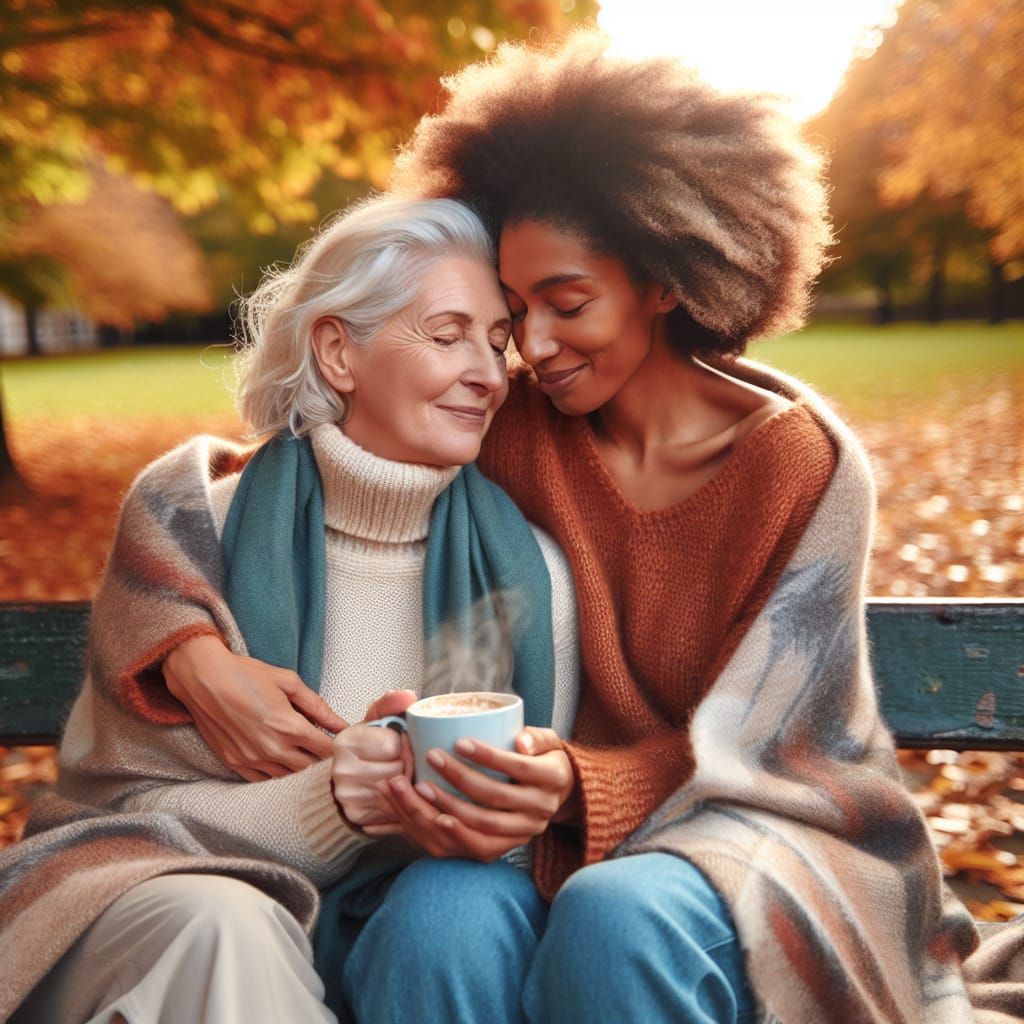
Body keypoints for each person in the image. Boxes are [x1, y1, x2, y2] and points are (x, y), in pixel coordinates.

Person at [72, 29, 1024, 1024]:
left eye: (564, 304)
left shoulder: (798, 466)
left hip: (754, 825)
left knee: (621, 916)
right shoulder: (513, 422)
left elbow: (773, 745)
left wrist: (581, 784)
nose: (527, 347)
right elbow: (243, 478)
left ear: (665, 278)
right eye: (510, 310)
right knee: (438, 915)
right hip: (520, 835)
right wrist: (187, 649)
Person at [0, 195, 580, 1023]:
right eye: (447, 335)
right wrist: (332, 804)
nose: (488, 375)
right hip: (159, 913)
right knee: (226, 925)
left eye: (497, 343)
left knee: (450, 921)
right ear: (338, 352)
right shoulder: (199, 538)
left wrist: (487, 811)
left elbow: (534, 844)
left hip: (418, 939)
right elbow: (127, 812)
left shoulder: (535, 575)